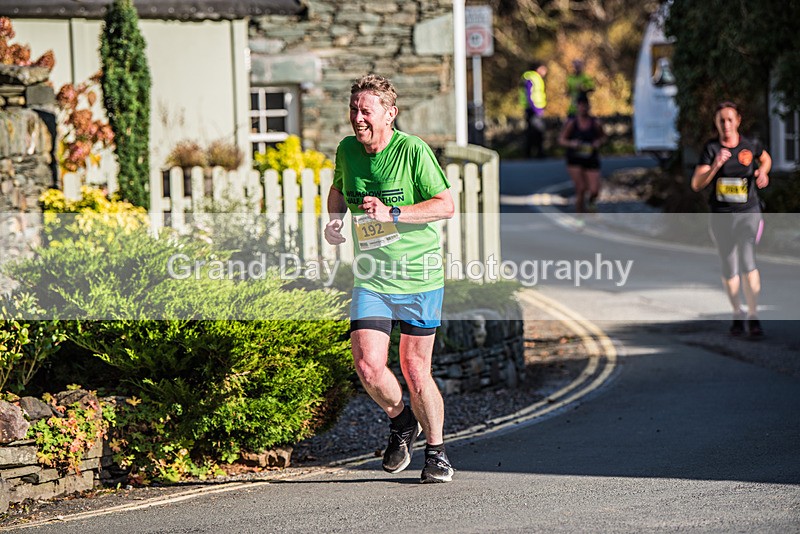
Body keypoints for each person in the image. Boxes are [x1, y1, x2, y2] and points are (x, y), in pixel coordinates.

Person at [324, 74, 456, 483]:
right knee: (367, 365)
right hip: (373, 278)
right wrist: (334, 219)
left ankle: (436, 452)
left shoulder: (412, 151)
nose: (357, 118)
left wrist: (393, 214)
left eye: (366, 111)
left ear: (389, 114)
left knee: (416, 370)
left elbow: (446, 205)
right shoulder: (347, 150)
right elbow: (336, 188)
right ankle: (401, 422)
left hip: (419, 275)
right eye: (354, 110)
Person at [691, 101, 771, 338]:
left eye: (729, 119)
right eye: (721, 121)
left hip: (748, 212)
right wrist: (715, 166)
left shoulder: (750, 145)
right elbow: (696, 184)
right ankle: (737, 312)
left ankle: (753, 315)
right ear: (716, 124)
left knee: (748, 261)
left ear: (738, 121)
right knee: (729, 266)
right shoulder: (711, 149)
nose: (726, 124)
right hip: (722, 216)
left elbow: (765, 159)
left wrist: (763, 171)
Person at [558, 94, 606, 213]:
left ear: (589, 106)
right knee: (581, 188)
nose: (583, 108)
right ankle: (580, 218)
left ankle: (590, 204)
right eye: (581, 106)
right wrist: (572, 144)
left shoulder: (595, 123)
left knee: (594, 190)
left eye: (585, 106)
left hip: (591, 158)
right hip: (575, 159)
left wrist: (598, 142)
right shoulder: (572, 123)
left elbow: (603, 137)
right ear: (577, 107)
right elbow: (561, 140)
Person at [519, 62, 548, 158]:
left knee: (535, 132)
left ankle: (535, 153)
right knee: (535, 132)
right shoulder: (532, 77)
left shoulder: (535, 77)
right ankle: (533, 153)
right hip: (533, 110)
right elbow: (529, 94)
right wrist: (535, 109)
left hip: (536, 109)